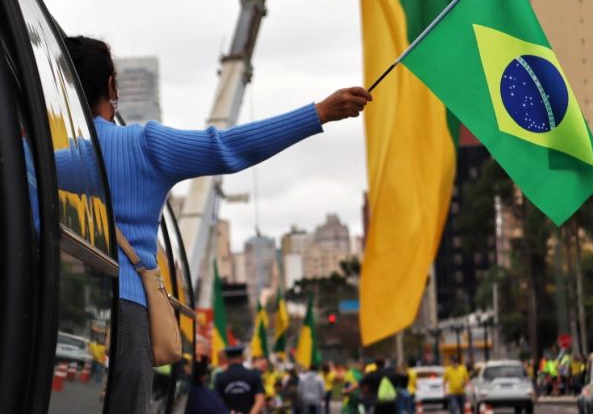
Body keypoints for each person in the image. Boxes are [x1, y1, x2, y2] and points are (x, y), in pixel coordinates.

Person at [64, 36, 371, 413]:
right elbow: (228, 147)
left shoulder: (54, 157)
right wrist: (319, 112)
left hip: (68, 313)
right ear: (111, 87)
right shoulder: (144, 145)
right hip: (129, 310)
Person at [214, 344, 266, 414]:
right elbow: (260, 400)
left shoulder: (220, 377)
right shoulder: (254, 375)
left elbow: (217, 402)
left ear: (228, 359)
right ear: (242, 358)